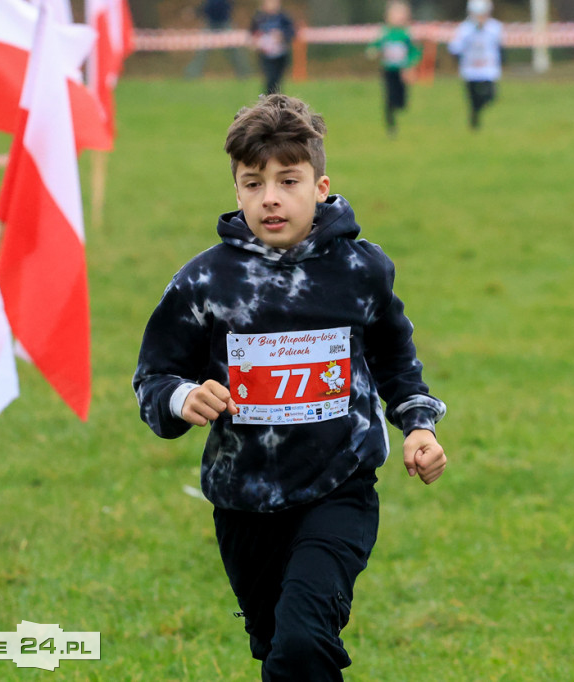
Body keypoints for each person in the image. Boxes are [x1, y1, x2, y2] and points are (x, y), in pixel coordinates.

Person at [132, 94, 448, 679]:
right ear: (236, 191)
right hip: (243, 501)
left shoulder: (361, 271)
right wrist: (184, 397)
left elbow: (395, 358)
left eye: (288, 181)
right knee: (278, 649)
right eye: (253, 184)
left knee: (303, 642)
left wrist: (418, 425)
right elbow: (154, 378)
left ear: (320, 187)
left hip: (339, 487)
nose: (270, 197)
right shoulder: (205, 281)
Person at [367, 1, 421, 136]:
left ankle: (399, 108)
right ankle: (391, 124)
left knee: (401, 99)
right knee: (389, 97)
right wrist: (373, 51)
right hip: (388, 70)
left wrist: (410, 65)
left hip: (402, 71)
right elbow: (376, 45)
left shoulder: (406, 34)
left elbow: (414, 51)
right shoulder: (385, 33)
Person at [448, 0, 502, 130]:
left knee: (490, 96)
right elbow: (455, 48)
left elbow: (499, 47)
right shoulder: (464, 29)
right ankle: (474, 117)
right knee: (473, 98)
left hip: (488, 69)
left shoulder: (495, 28)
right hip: (470, 70)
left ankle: (478, 111)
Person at [185, 0, 251, 79]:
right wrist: (195, 12)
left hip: (224, 22)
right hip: (210, 23)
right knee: (201, 51)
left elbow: (227, 6)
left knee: (234, 50)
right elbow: (205, 7)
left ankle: (244, 73)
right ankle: (192, 74)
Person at [250, 0, 295, 94]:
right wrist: (256, 42)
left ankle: (278, 98)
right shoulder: (259, 18)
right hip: (265, 54)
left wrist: (282, 36)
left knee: (278, 79)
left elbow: (292, 32)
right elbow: (252, 33)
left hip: (281, 54)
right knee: (270, 78)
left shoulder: (284, 17)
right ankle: (269, 98)